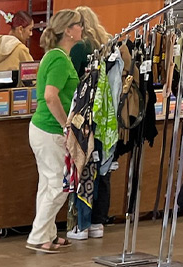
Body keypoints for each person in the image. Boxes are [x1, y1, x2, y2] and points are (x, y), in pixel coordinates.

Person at [26, 9, 82, 253]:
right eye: (79, 25)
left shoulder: (54, 56)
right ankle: (38, 236)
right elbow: (51, 96)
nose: (83, 28)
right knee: (60, 185)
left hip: (41, 129)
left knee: (47, 185)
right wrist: (65, 124)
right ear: (68, 30)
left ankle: (47, 233)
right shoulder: (59, 59)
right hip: (50, 130)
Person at [66, 5, 112, 241]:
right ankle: (98, 222)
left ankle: (80, 224)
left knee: (82, 168)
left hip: (83, 117)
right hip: (105, 116)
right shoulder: (107, 44)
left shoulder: (79, 48)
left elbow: (72, 81)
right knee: (102, 168)